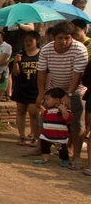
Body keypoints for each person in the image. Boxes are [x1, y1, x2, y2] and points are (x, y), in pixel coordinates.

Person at [37, 20, 88, 170]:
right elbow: (41, 73)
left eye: (67, 37)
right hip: (55, 87)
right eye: (60, 38)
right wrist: (41, 94)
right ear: (54, 37)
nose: (64, 41)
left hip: (77, 89)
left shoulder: (79, 49)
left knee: (77, 122)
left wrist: (69, 94)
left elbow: (77, 75)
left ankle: (76, 155)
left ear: (72, 37)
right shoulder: (46, 50)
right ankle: (41, 147)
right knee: (45, 117)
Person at [11, 32, 40, 146]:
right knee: (20, 111)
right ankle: (21, 136)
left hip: (35, 87)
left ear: (36, 41)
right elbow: (16, 73)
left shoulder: (41, 55)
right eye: (26, 41)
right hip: (21, 86)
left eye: (30, 40)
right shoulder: (21, 54)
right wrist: (16, 62)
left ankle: (35, 136)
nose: (28, 43)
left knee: (34, 113)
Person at [33, 88, 71, 166]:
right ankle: (45, 159)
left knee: (62, 149)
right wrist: (40, 106)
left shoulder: (65, 110)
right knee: (45, 148)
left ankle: (65, 159)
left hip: (59, 137)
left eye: (48, 99)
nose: (46, 101)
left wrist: (63, 110)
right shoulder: (49, 110)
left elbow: (67, 118)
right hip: (46, 135)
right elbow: (45, 114)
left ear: (57, 100)